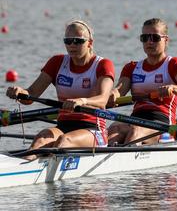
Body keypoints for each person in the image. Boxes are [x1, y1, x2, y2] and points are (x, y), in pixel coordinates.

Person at [6, 20, 115, 159]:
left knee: (64, 141)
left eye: (78, 41)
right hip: (63, 125)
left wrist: (82, 101)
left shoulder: (103, 64)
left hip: (93, 129)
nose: (72, 45)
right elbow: (31, 94)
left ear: (90, 43)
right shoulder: (57, 62)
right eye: (68, 41)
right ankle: (20, 173)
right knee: (40, 140)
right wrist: (20, 92)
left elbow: (102, 100)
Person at [108, 18, 177, 145]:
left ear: (166, 40)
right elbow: (119, 91)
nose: (149, 42)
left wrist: (173, 88)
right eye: (145, 38)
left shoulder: (173, 64)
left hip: (163, 123)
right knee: (113, 130)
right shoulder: (131, 67)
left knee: (135, 131)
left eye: (154, 38)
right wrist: (111, 95)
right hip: (135, 119)